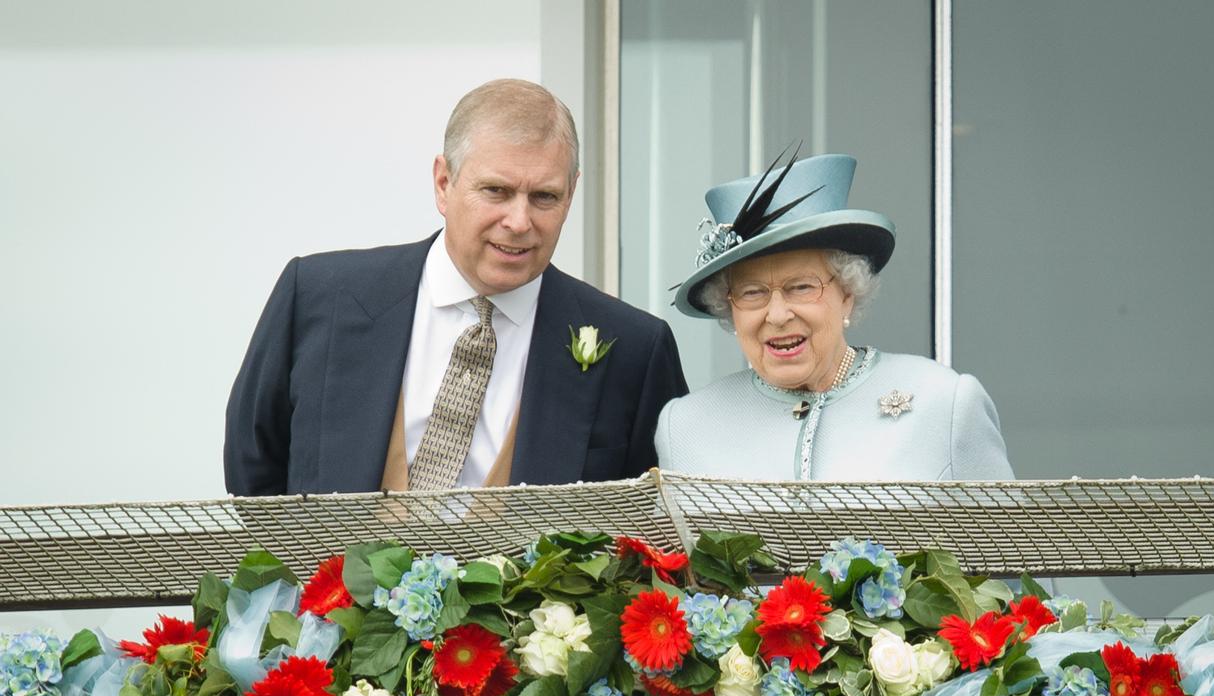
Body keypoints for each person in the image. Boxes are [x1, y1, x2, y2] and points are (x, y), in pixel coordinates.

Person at [225, 79, 688, 495]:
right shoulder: (317, 296)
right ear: (444, 183)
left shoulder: (635, 350)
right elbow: (253, 468)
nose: (519, 221)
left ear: (571, 194)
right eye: (496, 191)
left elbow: (649, 525)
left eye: (544, 196)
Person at [657, 150, 1012, 481]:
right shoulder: (685, 427)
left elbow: (1008, 547)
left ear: (847, 293)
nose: (778, 315)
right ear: (729, 308)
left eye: (801, 287)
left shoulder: (945, 403)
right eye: (752, 293)